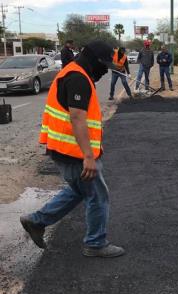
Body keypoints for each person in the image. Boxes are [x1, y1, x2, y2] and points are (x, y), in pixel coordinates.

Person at [20, 40, 125, 258]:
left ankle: (37, 220)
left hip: (64, 149)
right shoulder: (77, 78)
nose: (105, 70)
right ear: (93, 59)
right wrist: (88, 157)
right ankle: (96, 244)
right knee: (98, 196)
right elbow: (77, 117)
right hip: (74, 153)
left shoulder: (74, 72)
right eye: (103, 64)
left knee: (78, 191)